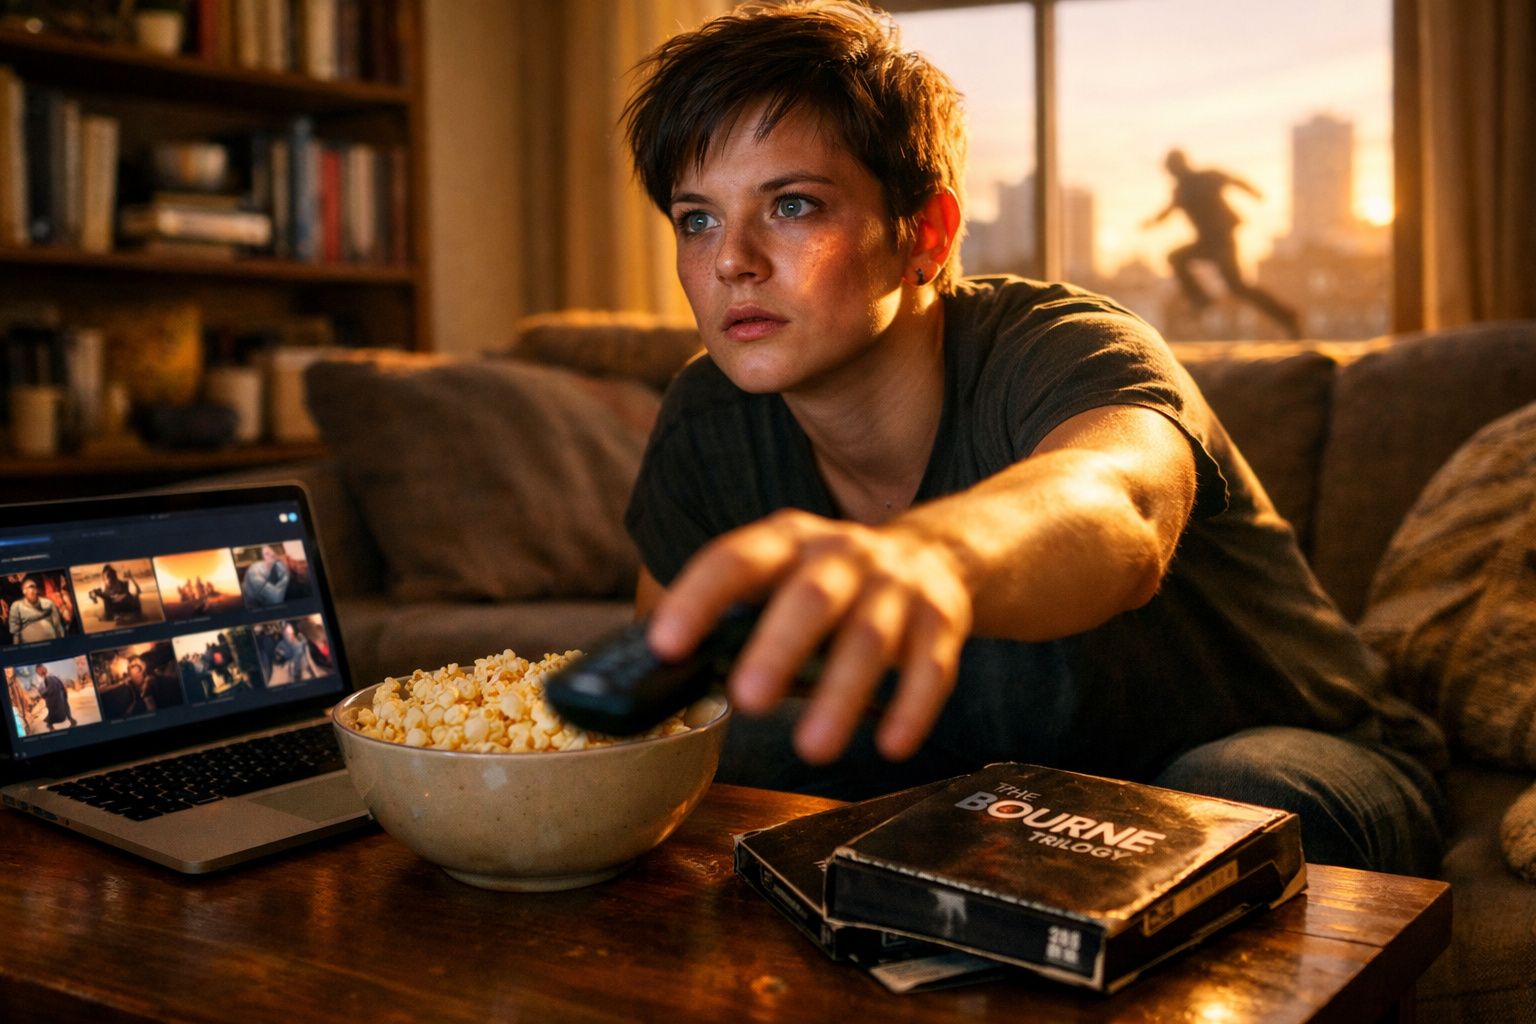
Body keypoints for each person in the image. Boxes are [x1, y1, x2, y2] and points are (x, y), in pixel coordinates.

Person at [618, 0, 1447, 875]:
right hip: (981, 778)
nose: (730, 260)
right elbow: (673, 696)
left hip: (1284, 749)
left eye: (791, 205)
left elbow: (1119, 508)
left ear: (925, 234)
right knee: (723, 753)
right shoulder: (707, 416)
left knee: (1220, 803)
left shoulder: (1062, 343)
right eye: (697, 218)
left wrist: (933, 554)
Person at [1143, 149, 1302, 338]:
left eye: (1172, 169)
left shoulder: (1205, 178)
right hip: (1207, 242)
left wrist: (1253, 192)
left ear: (1180, 165)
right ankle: (1200, 298)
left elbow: (1233, 180)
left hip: (1222, 241)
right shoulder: (1181, 190)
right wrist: (1153, 222)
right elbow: (1168, 211)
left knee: (1237, 287)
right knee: (1177, 258)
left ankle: (1287, 316)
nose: (1171, 174)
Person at [8, 577, 65, 645]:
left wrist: (61, 645)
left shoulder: (48, 603)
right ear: (24, 591)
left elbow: (58, 627)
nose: (33, 590)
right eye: (30, 587)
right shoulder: (16, 606)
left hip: (51, 644)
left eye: (35, 587)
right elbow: (15, 632)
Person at [34, 663, 75, 730]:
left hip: (57, 697)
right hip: (58, 696)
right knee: (62, 709)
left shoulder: (49, 677)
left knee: (57, 711)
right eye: (37, 672)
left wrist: (43, 694)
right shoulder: (47, 677)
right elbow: (55, 686)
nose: (38, 673)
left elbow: (51, 688)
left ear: (41, 669)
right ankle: (52, 725)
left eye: (38, 671)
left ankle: (51, 725)